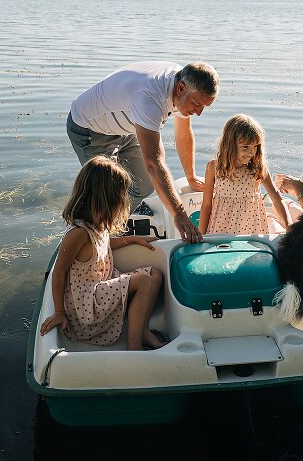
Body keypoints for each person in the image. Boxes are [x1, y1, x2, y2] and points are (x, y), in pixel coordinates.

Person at [66, 61, 219, 244]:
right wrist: (179, 215)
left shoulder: (184, 83)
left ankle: (116, 220)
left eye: (204, 107)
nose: (199, 112)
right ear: (180, 88)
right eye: (196, 104)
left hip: (127, 127)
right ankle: (93, 234)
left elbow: (183, 134)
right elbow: (154, 163)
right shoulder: (150, 98)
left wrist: (191, 176)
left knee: (144, 185)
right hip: (91, 129)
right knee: (106, 190)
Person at [39, 156, 167, 351]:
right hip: (86, 307)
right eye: (119, 197)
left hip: (101, 288)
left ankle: (143, 331)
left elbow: (104, 245)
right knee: (144, 281)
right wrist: (58, 312)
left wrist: (132, 239)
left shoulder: (96, 225)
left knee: (155, 273)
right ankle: (135, 347)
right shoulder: (78, 233)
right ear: (106, 198)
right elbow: (59, 272)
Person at [199, 114, 291, 235]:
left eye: (255, 147)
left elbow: (277, 199)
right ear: (230, 145)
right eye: (245, 147)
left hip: (250, 229)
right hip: (221, 228)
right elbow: (206, 205)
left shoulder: (257, 169)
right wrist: (201, 235)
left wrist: (289, 226)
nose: (251, 152)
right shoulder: (214, 168)